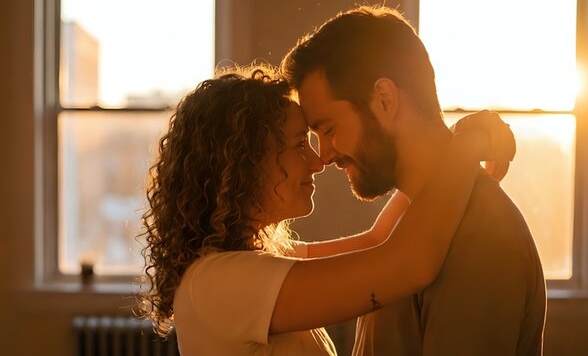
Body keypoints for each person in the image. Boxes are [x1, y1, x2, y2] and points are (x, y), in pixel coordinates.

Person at [138, 64, 515, 354]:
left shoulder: (250, 265)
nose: (318, 161)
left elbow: (378, 240)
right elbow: (408, 263)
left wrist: (446, 151)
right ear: (244, 163)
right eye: (299, 143)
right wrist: (466, 149)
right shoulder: (220, 283)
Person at [281, 5, 546, 355]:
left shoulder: (479, 238)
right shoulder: (415, 221)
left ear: (385, 99)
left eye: (328, 130)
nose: (324, 155)